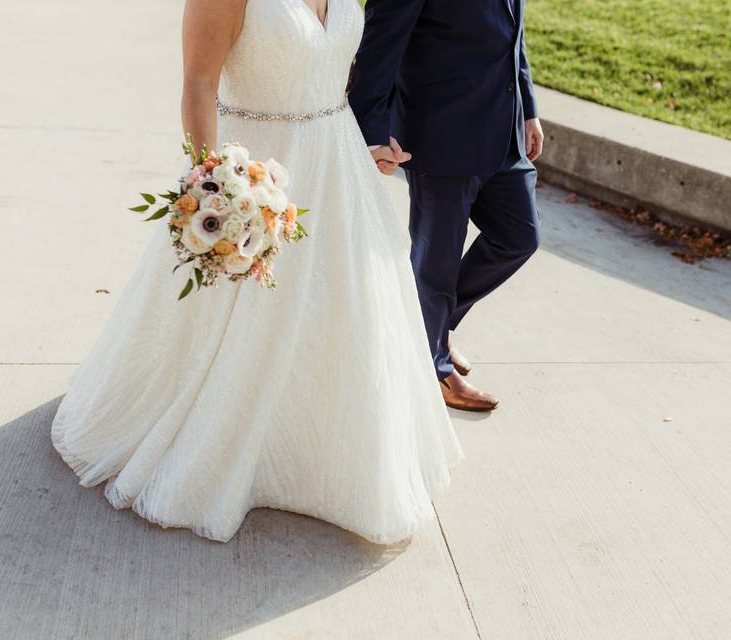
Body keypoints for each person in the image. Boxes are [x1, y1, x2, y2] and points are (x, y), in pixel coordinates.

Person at [51, 0, 462, 545]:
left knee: (342, 320)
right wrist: (213, 188)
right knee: (242, 324)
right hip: (255, 180)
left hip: (338, 169)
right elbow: (198, 82)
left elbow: (328, 75)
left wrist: (363, 144)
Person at [350, 0, 544, 412]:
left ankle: (431, 328)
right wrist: (372, 133)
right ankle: (432, 370)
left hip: (503, 127)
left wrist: (528, 108)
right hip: (440, 133)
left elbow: (514, 33)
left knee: (519, 237)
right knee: (435, 262)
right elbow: (379, 45)